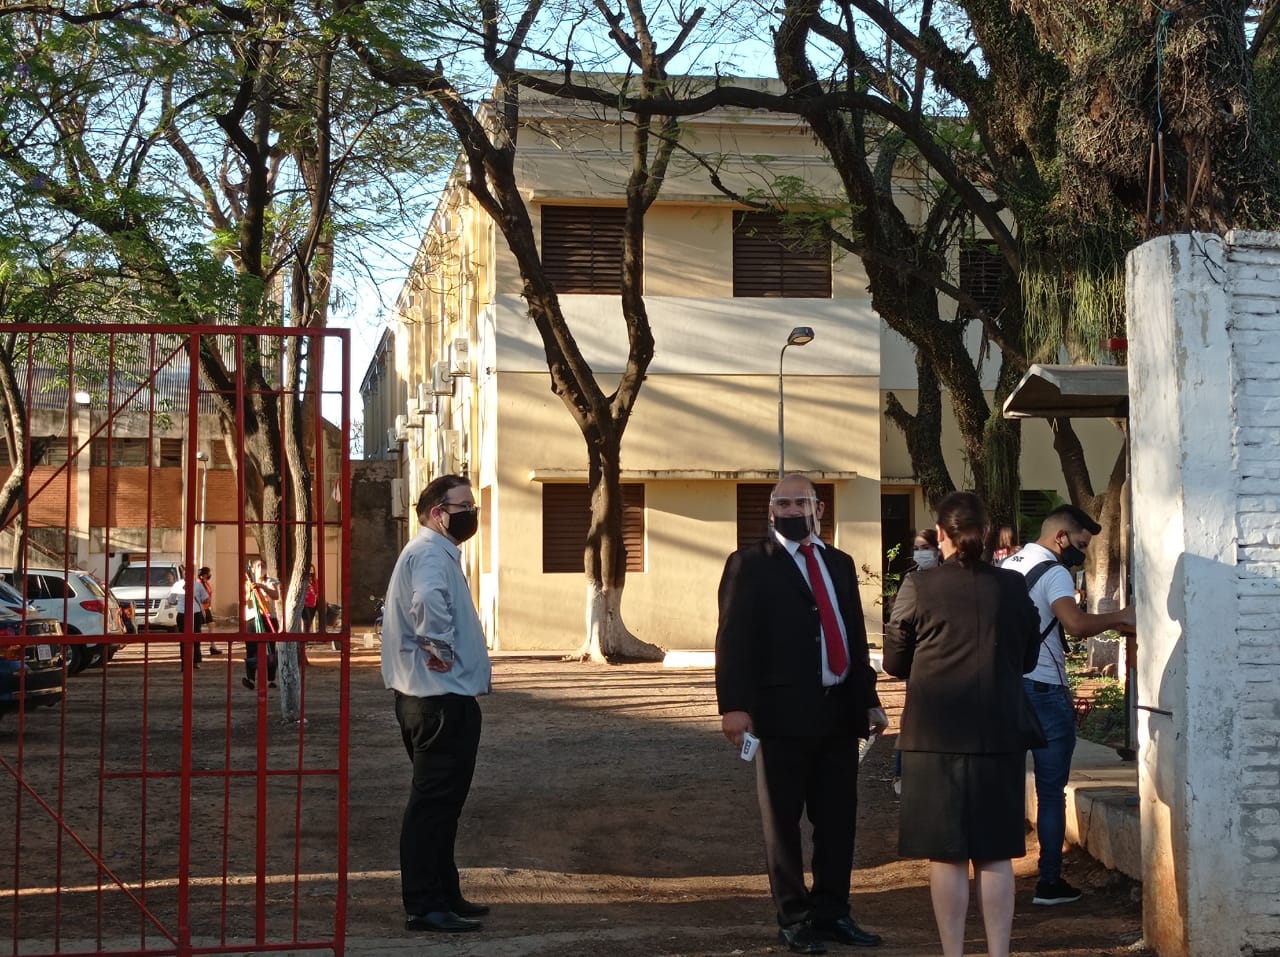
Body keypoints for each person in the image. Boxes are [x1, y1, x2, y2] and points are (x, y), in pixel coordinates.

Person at [715, 473, 887, 955]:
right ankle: (794, 919)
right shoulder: (748, 564)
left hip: (837, 716)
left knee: (838, 821)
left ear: (819, 510)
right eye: (783, 504)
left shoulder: (839, 563)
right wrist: (733, 706)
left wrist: (868, 698)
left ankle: (834, 912)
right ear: (771, 512)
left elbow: (853, 635)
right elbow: (732, 639)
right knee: (784, 825)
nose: (792, 512)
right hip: (779, 715)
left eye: (801, 503)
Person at [883, 492, 1042, 957]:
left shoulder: (919, 585)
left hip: (934, 735)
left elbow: (895, 661)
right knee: (995, 853)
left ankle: (953, 951)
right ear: (986, 531)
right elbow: (1028, 655)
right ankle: (999, 952)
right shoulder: (1013, 587)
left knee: (947, 853)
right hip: (1000, 731)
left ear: (942, 533)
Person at [1000, 504, 1136, 906]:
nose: (1081, 552)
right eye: (1079, 544)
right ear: (1060, 536)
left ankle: (996, 877)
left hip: (1008, 688)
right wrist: (1120, 617)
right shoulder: (1056, 571)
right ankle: (1049, 882)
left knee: (1003, 785)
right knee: (1051, 791)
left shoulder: (1009, 565)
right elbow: (1075, 624)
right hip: (1044, 688)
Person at [381, 475, 492, 934]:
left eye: (472, 504)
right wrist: (440, 649)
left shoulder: (435, 551)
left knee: (444, 805)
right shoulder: (428, 552)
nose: (471, 513)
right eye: (463, 505)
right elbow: (428, 600)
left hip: (436, 699)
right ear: (436, 512)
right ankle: (426, 904)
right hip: (437, 701)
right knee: (433, 806)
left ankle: (444, 893)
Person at [891, 528, 943, 795]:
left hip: (943, 661)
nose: (920, 553)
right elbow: (900, 624)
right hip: (917, 660)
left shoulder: (948, 579)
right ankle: (902, 772)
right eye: (917, 548)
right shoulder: (910, 579)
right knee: (912, 715)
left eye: (925, 547)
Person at [243, 559, 279, 690]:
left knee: (270, 648)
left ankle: (271, 679)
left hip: (269, 618)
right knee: (252, 649)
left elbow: (275, 595)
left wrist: (261, 586)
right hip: (252, 618)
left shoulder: (270, 581)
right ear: (253, 569)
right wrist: (251, 591)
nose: (261, 568)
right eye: (258, 566)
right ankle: (251, 678)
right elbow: (245, 601)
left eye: (263, 565)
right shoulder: (247, 583)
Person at [170, 565, 211, 670]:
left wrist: (179, 601)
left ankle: (185, 663)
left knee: (184, 639)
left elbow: (171, 600)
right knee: (195, 637)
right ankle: (195, 661)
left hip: (183, 614)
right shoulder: (197, 585)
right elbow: (206, 599)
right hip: (194, 613)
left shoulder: (177, 585)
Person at [200, 566, 220, 655]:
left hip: (206, 607)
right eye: (208, 573)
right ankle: (198, 647)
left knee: (211, 625)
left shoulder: (206, 583)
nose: (209, 575)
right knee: (198, 628)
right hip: (201, 608)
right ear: (205, 574)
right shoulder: (200, 583)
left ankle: (213, 646)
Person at [302, 565, 320, 634]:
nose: (310, 574)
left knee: (310, 622)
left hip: (313, 604)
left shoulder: (315, 581)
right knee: (307, 621)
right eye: (308, 572)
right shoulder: (303, 582)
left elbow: (317, 592)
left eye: (311, 572)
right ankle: (304, 639)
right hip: (305, 604)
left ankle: (306, 638)